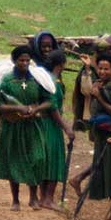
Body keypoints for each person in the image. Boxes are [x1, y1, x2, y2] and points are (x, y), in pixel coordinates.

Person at [0, 45, 55, 210]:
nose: (25, 63)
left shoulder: (36, 79)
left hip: (33, 125)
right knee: (14, 160)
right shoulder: (7, 81)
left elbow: (49, 100)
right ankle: (15, 200)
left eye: (28, 60)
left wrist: (36, 109)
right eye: (21, 60)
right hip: (13, 126)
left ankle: (33, 197)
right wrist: (17, 108)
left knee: (37, 158)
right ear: (15, 61)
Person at [73, 54, 111, 220]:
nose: (103, 71)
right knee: (105, 171)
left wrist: (99, 97)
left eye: (107, 69)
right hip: (101, 137)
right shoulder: (101, 85)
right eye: (101, 68)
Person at [39, 51, 71, 209]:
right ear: (62, 64)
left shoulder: (44, 79)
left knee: (45, 160)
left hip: (41, 123)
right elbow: (54, 108)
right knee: (55, 159)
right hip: (52, 125)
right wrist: (66, 128)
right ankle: (48, 199)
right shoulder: (55, 83)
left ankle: (42, 196)